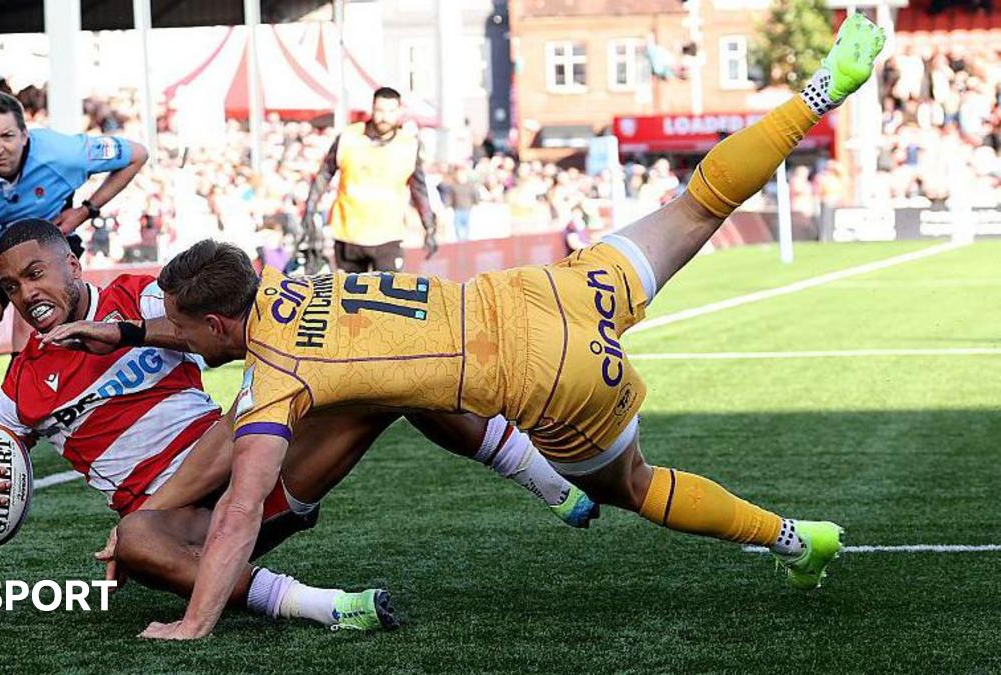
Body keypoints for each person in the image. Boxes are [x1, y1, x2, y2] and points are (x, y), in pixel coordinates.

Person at [46, 14, 885, 640]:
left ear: (223, 321)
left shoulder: (275, 376)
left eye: (184, 328)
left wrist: (193, 621)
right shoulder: (299, 281)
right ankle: (821, 88)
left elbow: (236, 513)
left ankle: (789, 536)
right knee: (699, 200)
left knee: (630, 485)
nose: (177, 334)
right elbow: (212, 326)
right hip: (555, 291)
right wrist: (127, 337)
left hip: (551, 378)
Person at [0, 219, 597, 630]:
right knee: (134, 538)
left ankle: (544, 478)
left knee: (386, 374)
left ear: (72, 262)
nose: (27, 294)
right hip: (186, 522)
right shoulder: (19, 384)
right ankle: (325, 606)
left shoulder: (140, 293)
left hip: (253, 453)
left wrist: (126, 332)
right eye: (12, 287)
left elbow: (232, 313)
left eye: (36, 273)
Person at [0, 90, 148, 413]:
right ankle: (0, 417)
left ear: (25, 134)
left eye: (8, 136)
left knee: (31, 343)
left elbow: (137, 153)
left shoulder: (63, 153)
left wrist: (87, 209)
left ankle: (31, 414)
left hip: (44, 248)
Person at [299, 87, 438, 275]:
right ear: (372, 109)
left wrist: (429, 227)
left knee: (389, 300)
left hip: (388, 236)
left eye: (390, 111)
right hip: (349, 234)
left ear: (399, 112)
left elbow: (419, 188)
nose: (384, 117)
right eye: (380, 110)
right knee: (350, 300)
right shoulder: (349, 137)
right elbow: (325, 173)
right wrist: (310, 208)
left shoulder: (408, 145)